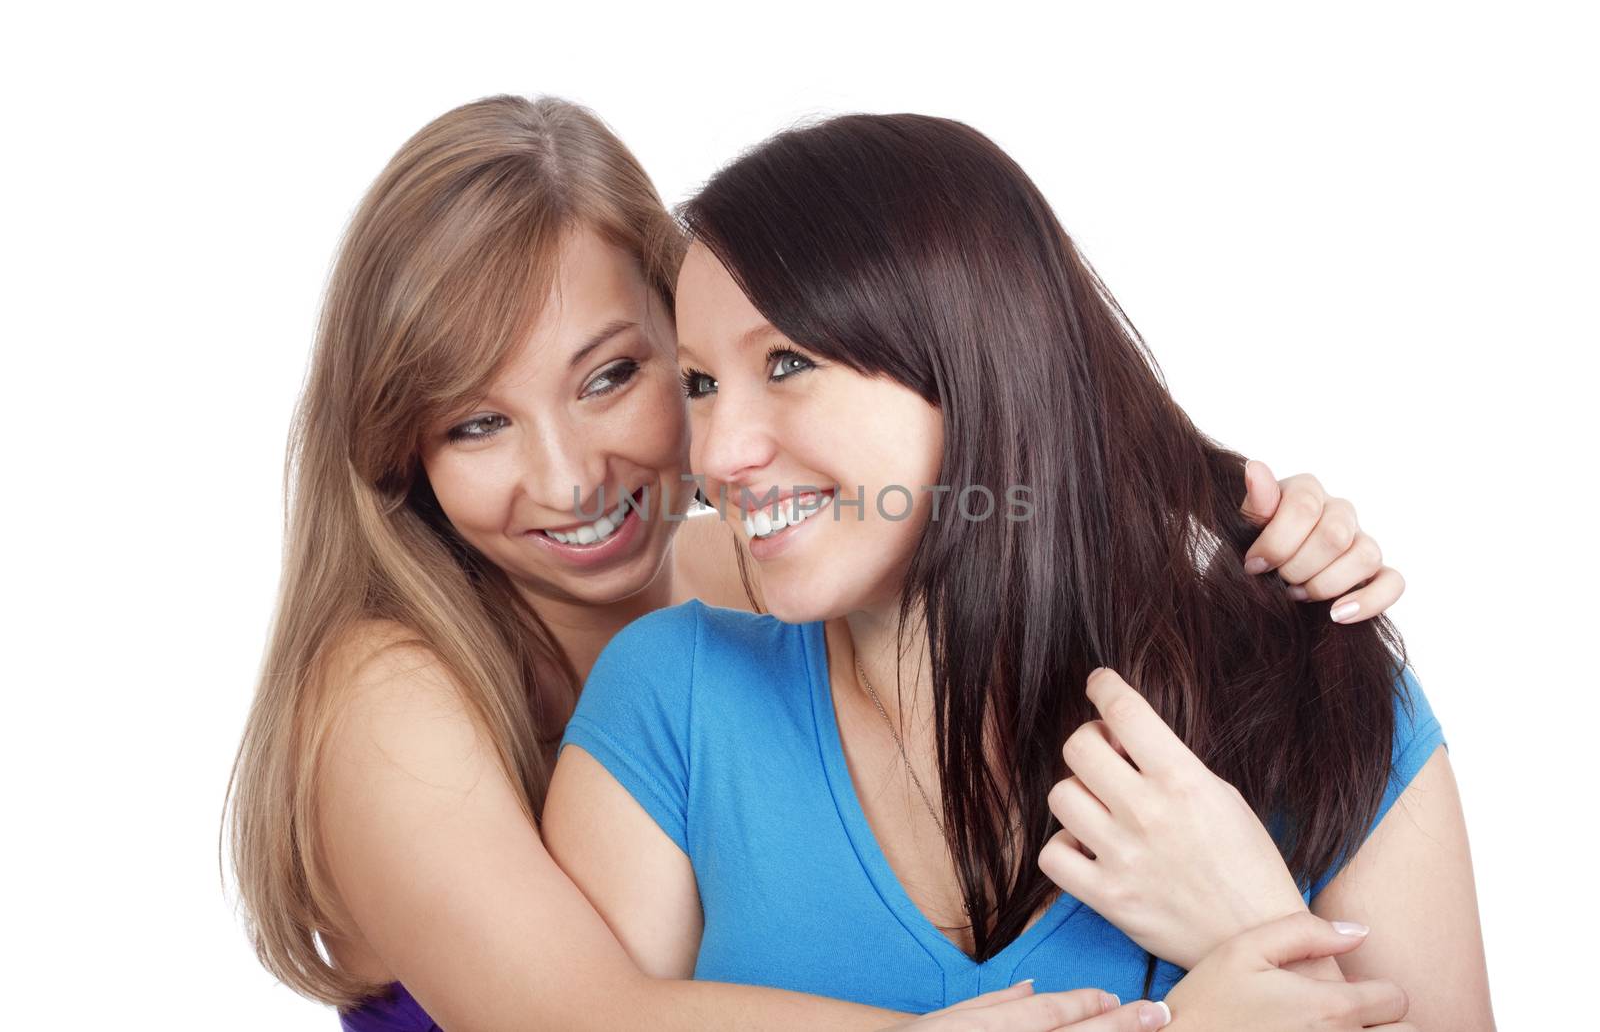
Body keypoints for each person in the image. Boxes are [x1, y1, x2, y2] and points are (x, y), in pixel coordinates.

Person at [228, 95, 1420, 1031]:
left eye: (617, 377)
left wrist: (1263, 525)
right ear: (401, 454)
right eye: (474, 423)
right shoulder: (391, 694)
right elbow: (582, 1018)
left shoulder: (753, 567)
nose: (568, 476)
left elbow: (997, 470)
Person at [543, 113, 1492, 1028]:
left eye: (786, 362)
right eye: (701, 384)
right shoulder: (670, 705)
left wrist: (1252, 921)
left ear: (975, 364)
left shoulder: (1318, 697)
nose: (721, 452)